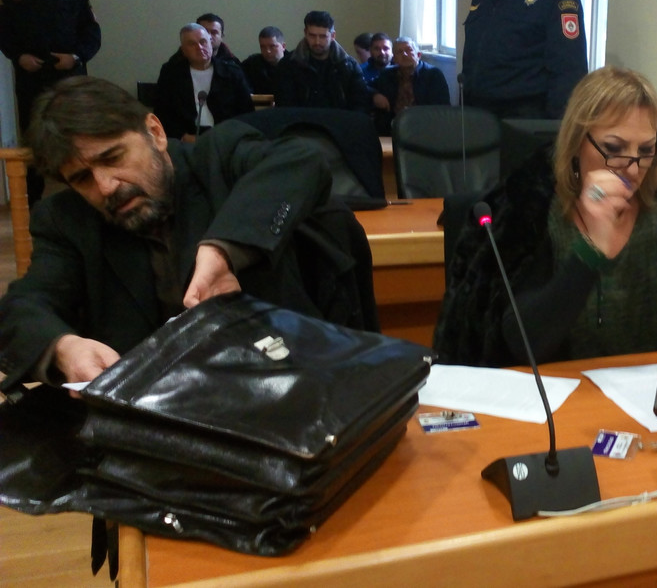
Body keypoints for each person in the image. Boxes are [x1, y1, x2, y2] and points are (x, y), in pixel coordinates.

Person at [0, 76, 376, 397]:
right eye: (83, 179)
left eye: (113, 157)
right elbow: (24, 307)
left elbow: (301, 163)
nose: (106, 186)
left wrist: (226, 250)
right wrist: (62, 347)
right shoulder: (66, 220)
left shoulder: (220, 159)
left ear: (154, 132)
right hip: (156, 422)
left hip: (284, 391)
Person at [434, 67, 657, 367]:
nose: (633, 168)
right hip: (560, 390)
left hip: (643, 389)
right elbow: (521, 345)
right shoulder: (535, 209)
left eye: (646, 150)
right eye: (613, 148)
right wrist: (590, 253)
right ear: (577, 142)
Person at [0, 0, 101, 204]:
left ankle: (82, 198)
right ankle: (34, 204)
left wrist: (75, 57)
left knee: (75, 136)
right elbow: (3, 32)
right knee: (34, 138)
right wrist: (18, 56)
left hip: (69, 76)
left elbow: (92, 33)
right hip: (31, 77)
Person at [152, 23, 254, 141]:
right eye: (192, 44)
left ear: (210, 43)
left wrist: (229, 137)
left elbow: (246, 112)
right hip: (185, 138)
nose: (199, 47)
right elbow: (162, 112)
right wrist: (184, 137)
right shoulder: (171, 73)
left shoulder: (232, 72)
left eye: (203, 42)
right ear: (183, 50)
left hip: (225, 137)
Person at [275, 11, 372, 112]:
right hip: (301, 121)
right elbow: (284, 106)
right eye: (312, 36)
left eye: (323, 36)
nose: (317, 42)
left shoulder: (349, 66)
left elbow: (360, 104)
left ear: (333, 36)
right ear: (305, 33)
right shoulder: (288, 65)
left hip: (339, 121)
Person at [370, 36, 451, 135]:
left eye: (409, 50)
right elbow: (366, 88)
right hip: (392, 127)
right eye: (399, 52)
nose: (404, 54)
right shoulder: (386, 74)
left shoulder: (433, 74)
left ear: (418, 55)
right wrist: (375, 95)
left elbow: (442, 108)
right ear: (394, 58)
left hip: (424, 127)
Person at [240, 26, 291, 95]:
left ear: (283, 46)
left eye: (272, 46)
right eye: (263, 47)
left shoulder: (295, 64)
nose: (268, 51)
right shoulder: (251, 65)